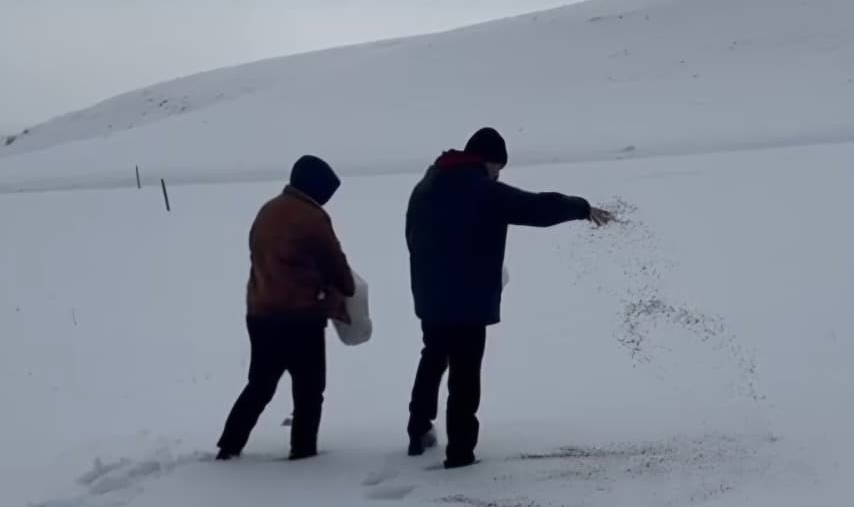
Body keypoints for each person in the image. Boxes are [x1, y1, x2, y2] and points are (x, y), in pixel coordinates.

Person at [404, 127, 614, 468]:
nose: (498, 174)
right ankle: (460, 453)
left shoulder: (426, 185)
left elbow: (410, 235)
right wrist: (581, 207)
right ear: (486, 161)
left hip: (431, 295)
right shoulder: (482, 190)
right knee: (465, 374)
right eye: (498, 167)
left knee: (433, 357)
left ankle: (418, 428)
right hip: (468, 300)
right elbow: (536, 208)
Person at [216, 154, 356, 461]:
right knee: (309, 389)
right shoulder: (312, 218)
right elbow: (336, 264)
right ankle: (303, 451)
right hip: (300, 318)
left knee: (260, 385)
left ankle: (229, 444)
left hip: (261, 313)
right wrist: (346, 288)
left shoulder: (267, 211)